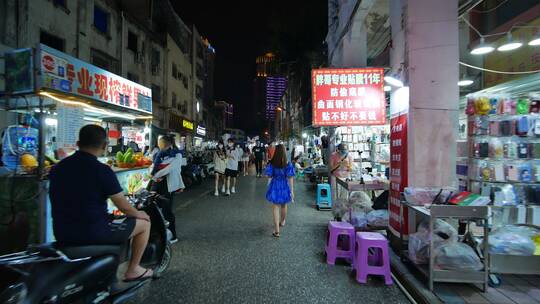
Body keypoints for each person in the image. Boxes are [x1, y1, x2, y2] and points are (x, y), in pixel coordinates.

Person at [49, 125, 153, 282]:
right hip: (93, 232)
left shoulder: (58, 168)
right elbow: (124, 206)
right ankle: (133, 269)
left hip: (62, 232)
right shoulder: (102, 170)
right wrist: (140, 214)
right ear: (104, 146)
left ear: (78, 144)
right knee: (144, 223)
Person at [151, 135, 184, 243]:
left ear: (168, 144)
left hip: (168, 185)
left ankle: (173, 236)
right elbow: (152, 167)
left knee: (167, 211)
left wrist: (156, 174)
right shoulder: (158, 154)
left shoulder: (177, 155)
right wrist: (154, 174)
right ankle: (159, 233)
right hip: (156, 184)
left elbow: (170, 168)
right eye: (159, 142)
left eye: (161, 143)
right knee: (154, 209)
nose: (159, 145)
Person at [265, 144, 295, 238]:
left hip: (274, 185)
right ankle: (282, 221)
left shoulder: (272, 163)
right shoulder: (287, 163)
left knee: (275, 207)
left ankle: (277, 231)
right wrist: (292, 191)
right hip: (284, 186)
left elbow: (269, 175)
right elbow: (290, 178)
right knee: (284, 205)